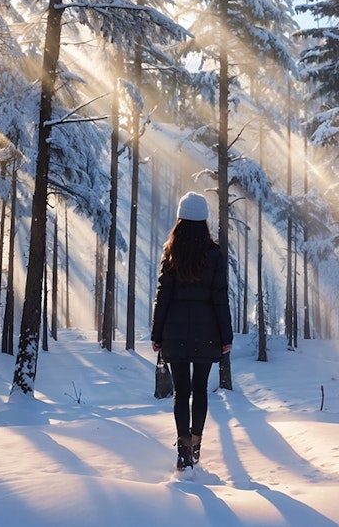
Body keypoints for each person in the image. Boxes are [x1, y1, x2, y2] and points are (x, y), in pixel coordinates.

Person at [151, 191, 233, 471]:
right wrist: (226, 337)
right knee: (200, 389)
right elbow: (220, 296)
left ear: (180, 220)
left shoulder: (171, 252)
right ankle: (196, 442)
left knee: (181, 391)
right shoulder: (214, 254)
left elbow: (163, 295)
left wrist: (157, 333)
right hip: (206, 332)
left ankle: (183, 446)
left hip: (174, 331)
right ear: (204, 222)